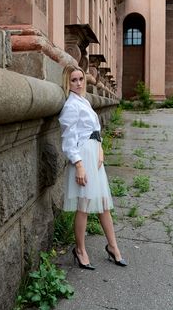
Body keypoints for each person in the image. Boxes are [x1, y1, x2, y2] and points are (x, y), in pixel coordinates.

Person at [58, 64, 127, 270]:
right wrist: (78, 165)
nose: (78, 83)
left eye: (81, 79)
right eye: (74, 80)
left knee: (103, 204)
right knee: (85, 206)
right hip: (84, 159)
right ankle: (80, 250)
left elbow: (95, 130)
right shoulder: (71, 106)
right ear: (67, 83)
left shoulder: (84, 101)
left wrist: (101, 150)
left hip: (95, 155)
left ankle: (113, 247)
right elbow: (69, 140)